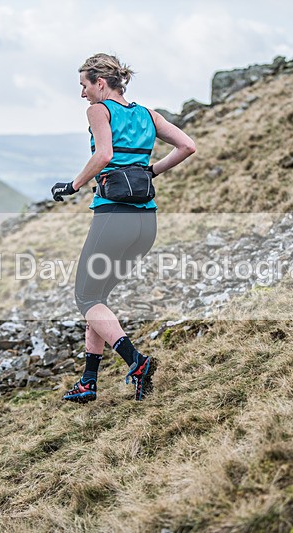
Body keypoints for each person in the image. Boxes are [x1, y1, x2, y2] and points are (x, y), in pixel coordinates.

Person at [51, 53, 196, 403]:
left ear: (100, 83)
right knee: (98, 298)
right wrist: (150, 171)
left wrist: (71, 187)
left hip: (114, 216)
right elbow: (187, 146)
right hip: (146, 223)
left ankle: (137, 361)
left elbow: (103, 155)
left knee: (86, 298)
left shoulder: (99, 111)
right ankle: (88, 382)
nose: (83, 94)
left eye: (84, 85)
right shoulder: (148, 114)